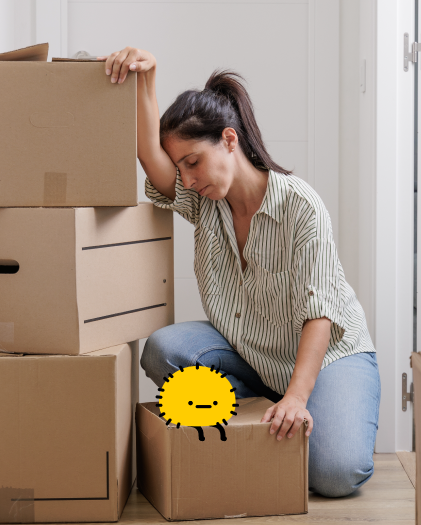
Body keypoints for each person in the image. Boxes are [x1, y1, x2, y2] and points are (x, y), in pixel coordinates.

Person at [100, 47, 380, 498]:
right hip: (252, 354)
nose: (186, 179)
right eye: (180, 169)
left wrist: (297, 396)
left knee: (334, 474)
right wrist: (146, 80)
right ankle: (266, 405)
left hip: (328, 355)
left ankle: (290, 403)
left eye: (192, 162)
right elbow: (151, 156)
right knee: (162, 349)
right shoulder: (204, 202)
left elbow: (320, 316)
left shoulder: (299, 206)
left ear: (229, 140)